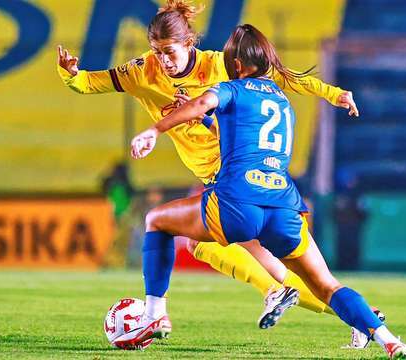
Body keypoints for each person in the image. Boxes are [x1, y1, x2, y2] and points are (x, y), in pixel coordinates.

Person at [114, 24, 406, 359]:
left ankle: (154, 315)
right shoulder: (282, 103)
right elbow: (236, 137)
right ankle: (392, 342)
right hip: (283, 206)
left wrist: (154, 130)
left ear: (236, 64)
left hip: (237, 202)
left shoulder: (231, 90)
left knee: (157, 220)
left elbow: (199, 104)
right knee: (327, 285)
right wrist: (208, 122)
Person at [57, 0, 368, 343]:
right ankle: (357, 318)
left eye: (169, 51)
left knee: (207, 246)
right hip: (221, 179)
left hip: (238, 171)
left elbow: (282, 76)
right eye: (156, 51)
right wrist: (70, 74)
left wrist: (334, 94)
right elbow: (90, 82)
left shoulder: (219, 65)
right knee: (265, 262)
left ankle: (172, 311)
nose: (162, 60)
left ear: (189, 43)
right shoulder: (141, 71)